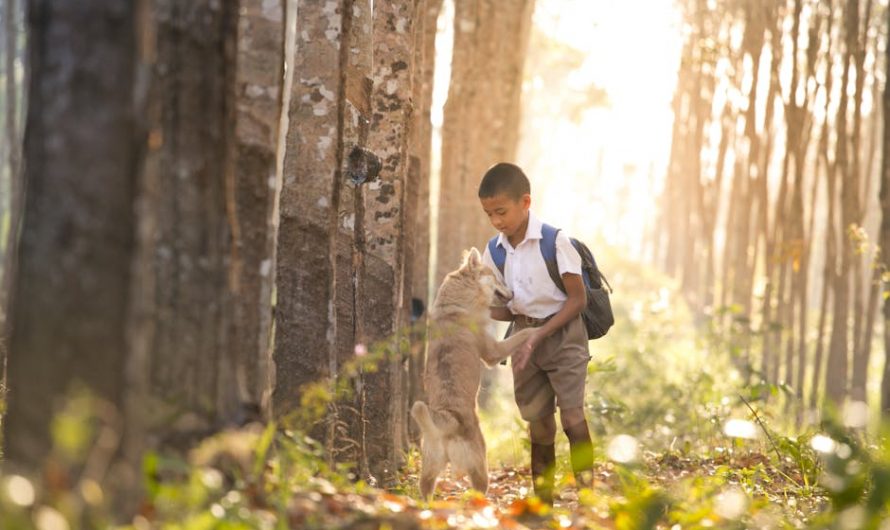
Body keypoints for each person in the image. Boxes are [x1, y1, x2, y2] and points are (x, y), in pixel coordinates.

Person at [478, 162, 594, 504]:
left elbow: (578, 299)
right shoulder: (494, 251)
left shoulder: (554, 242)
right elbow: (503, 308)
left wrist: (540, 336)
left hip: (564, 335)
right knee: (539, 425)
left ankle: (588, 500)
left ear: (525, 202)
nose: (497, 221)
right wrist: (474, 309)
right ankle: (542, 504)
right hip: (523, 340)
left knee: (573, 417)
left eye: (501, 211)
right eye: (489, 214)